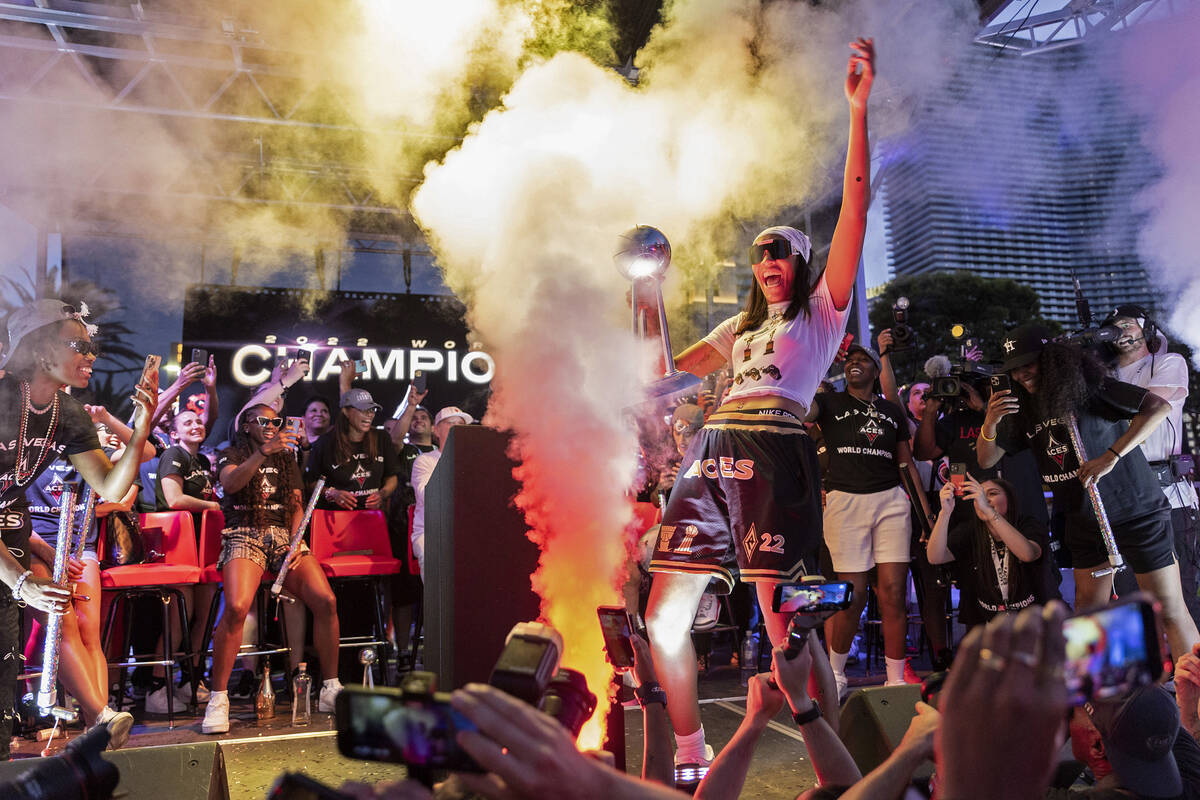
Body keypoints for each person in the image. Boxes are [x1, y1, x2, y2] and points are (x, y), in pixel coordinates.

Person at [644, 37, 874, 772]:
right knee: (662, 617)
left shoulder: (821, 315)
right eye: (760, 256)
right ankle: (689, 753)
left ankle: (831, 767)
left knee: (785, 628)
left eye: (781, 254)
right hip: (710, 453)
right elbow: (662, 378)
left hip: (775, 452)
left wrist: (857, 109)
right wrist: (645, 293)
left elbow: (858, 207)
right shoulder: (737, 328)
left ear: (800, 264)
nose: (769, 264)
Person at [977, 324, 1200, 660]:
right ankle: (1096, 700)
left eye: (1029, 364)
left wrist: (1110, 457)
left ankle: (1193, 701)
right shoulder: (1022, 407)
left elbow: (1157, 408)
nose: (1022, 374)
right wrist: (990, 423)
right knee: (1088, 615)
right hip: (1083, 520)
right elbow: (985, 457)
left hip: (1133, 510)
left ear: (1051, 360)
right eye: (1014, 369)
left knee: (1168, 608)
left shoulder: (1090, 387)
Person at [0, 298, 156, 756]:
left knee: (4, 668)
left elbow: (109, 484)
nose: (91, 356)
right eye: (78, 345)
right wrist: (22, 579)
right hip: (10, 562)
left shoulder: (67, 413)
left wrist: (142, 423)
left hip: (9, 541)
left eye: (93, 347)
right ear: (41, 350)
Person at [202, 404, 343, 734]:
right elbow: (231, 484)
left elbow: (296, 502)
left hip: (283, 537)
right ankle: (218, 698)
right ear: (247, 424)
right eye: (263, 421)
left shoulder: (286, 458)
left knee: (326, 601)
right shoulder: (231, 451)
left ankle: (330, 687)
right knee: (237, 608)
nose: (271, 425)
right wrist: (263, 452)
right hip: (243, 533)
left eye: (276, 421)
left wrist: (297, 541)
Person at [810, 342, 916, 694]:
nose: (855, 364)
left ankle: (896, 679)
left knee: (893, 592)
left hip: (891, 501)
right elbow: (801, 409)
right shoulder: (828, 403)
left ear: (875, 370)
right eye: (850, 360)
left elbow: (906, 465)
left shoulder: (891, 411)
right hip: (845, 501)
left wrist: (927, 516)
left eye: (863, 360)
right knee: (851, 594)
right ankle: (836, 676)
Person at [23, 421, 138, 736]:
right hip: (34, 548)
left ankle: (96, 727)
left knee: (90, 633)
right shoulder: (20, 453)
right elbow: (12, 519)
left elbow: (146, 449)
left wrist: (119, 422)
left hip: (78, 549)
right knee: (64, 626)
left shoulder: (84, 453)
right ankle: (101, 716)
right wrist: (52, 555)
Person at [1105, 304, 1200, 629]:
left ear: (1146, 329)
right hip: (1123, 499)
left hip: (1169, 499)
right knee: (1130, 595)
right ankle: (1148, 674)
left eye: (1128, 323)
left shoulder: (1168, 362)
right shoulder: (1105, 377)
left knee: (1180, 594)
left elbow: (1150, 402)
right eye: (1115, 325)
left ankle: (1188, 673)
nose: (1122, 330)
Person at [145, 408, 221, 713]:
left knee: (205, 614)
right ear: (174, 433)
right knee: (182, 615)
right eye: (187, 422)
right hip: (178, 545)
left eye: (198, 420)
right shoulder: (173, 453)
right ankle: (157, 686)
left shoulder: (201, 462)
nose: (196, 424)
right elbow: (174, 499)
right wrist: (213, 504)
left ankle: (192, 679)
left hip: (205, 545)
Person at [926, 474, 1050, 625]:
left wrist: (990, 512)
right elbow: (935, 557)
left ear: (1009, 500)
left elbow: (1028, 554)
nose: (983, 500)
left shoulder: (1027, 524)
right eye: (980, 496)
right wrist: (944, 513)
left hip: (1034, 622)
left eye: (992, 494)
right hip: (989, 624)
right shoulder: (970, 530)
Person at [411, 406, 473, 579]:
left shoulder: (474, 462)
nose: (456, 428)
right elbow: (428, 496)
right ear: (436, 430)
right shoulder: (424, 461)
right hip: (431, 533)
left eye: (461, 424)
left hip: (466, 531)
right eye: (450, 423)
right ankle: (438, 606)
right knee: (433, 557)